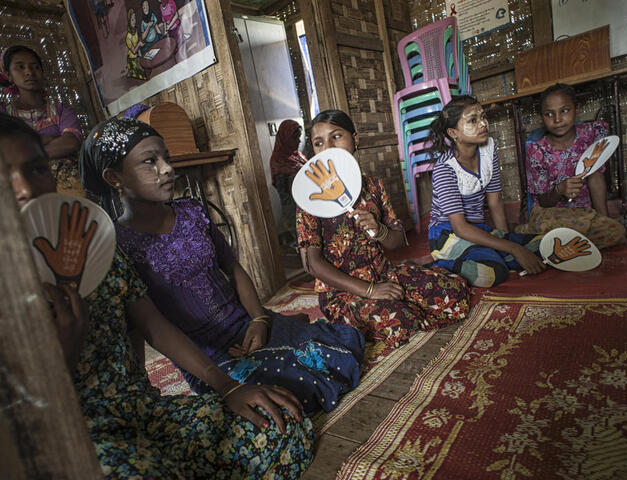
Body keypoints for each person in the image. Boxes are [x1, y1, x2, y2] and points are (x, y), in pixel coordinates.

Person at [0, 112, 313, 479]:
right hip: (70, 434)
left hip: (140, 410)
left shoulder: (95, 246)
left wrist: (227, 388)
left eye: (36, 169)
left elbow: (153, 326)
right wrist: (61, 355)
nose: (23, 188)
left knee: (279, 427)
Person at [79, 117, 365, 415]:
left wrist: (258, 320)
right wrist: (223, 385)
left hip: (245, 324)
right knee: (284, 399)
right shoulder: (118, 247)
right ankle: (288, 329)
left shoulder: (192, 212)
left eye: (166, 157)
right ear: (114, 178)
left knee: (339, 352)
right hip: (207, 355)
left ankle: (283, 324)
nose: (166, 168)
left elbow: (233, 268)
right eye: (149, 161)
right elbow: (151, 327)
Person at [297, 109, 470, 348]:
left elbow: (397, 241)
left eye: (336, 136)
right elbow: (313, 264)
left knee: (454, 291)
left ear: (355, 139)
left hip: (384, 274)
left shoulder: (373, 186)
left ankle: (401, 309)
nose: (328, 146)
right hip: (342, 292)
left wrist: (380, 230)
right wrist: (369, 290)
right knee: (399, 320)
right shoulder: (310, 200)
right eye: (318, 142)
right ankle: (369, 318)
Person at [427, 96, 546, 287]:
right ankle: (439, 266)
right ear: (453, 133)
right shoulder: (445, 169)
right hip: (448, 233)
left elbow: (495, 201)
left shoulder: (488, 149)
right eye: (473, 120)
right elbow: (460, 227)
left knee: (544, 245)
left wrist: (505, 238)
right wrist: (514, 249)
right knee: (494, 273)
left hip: (479, 229)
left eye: (482, 117)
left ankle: (495, 255)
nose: (483, 123)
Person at [514, 83, 626, 248]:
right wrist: (559, 190)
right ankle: (546, 237)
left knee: (614, 231)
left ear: (576, 110)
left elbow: (596, 176)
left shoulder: (590, 135)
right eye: (549, 114)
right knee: (547, 226)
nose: (557, 119)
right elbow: (543, 200)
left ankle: (558, 242)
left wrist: (604, 220)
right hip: (552, 214)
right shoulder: (537, 150)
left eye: (564, 110)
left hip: (585, 214)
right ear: (541, 117)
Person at [0, 45, 83, 195]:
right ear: (9, 75)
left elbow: (71, 143)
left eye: (35, 67)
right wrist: (49, 140)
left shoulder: (61, 110)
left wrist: (24, 153)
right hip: (20, 187)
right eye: (20, 67)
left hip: (65, 185)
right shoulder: (4, 113)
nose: (29, 72)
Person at [270, 119, 307, 244]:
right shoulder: (278, 161)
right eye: (294, 138)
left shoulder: (298, 156)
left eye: (299, 137)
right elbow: (285, 195)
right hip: (294, 209)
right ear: (285, 139)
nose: (299, 141)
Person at [125, 9, 147, 81]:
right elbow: (134, 51)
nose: (134, 21)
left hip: (137, 56)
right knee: (143, 76)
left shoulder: (135, 30)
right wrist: (139, 45)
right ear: (129, 21)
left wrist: (141, 57)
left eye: (134, 19)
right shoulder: (128, 37)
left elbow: (138, 44)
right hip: (132, 59)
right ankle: (131, 70)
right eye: (132, 20)